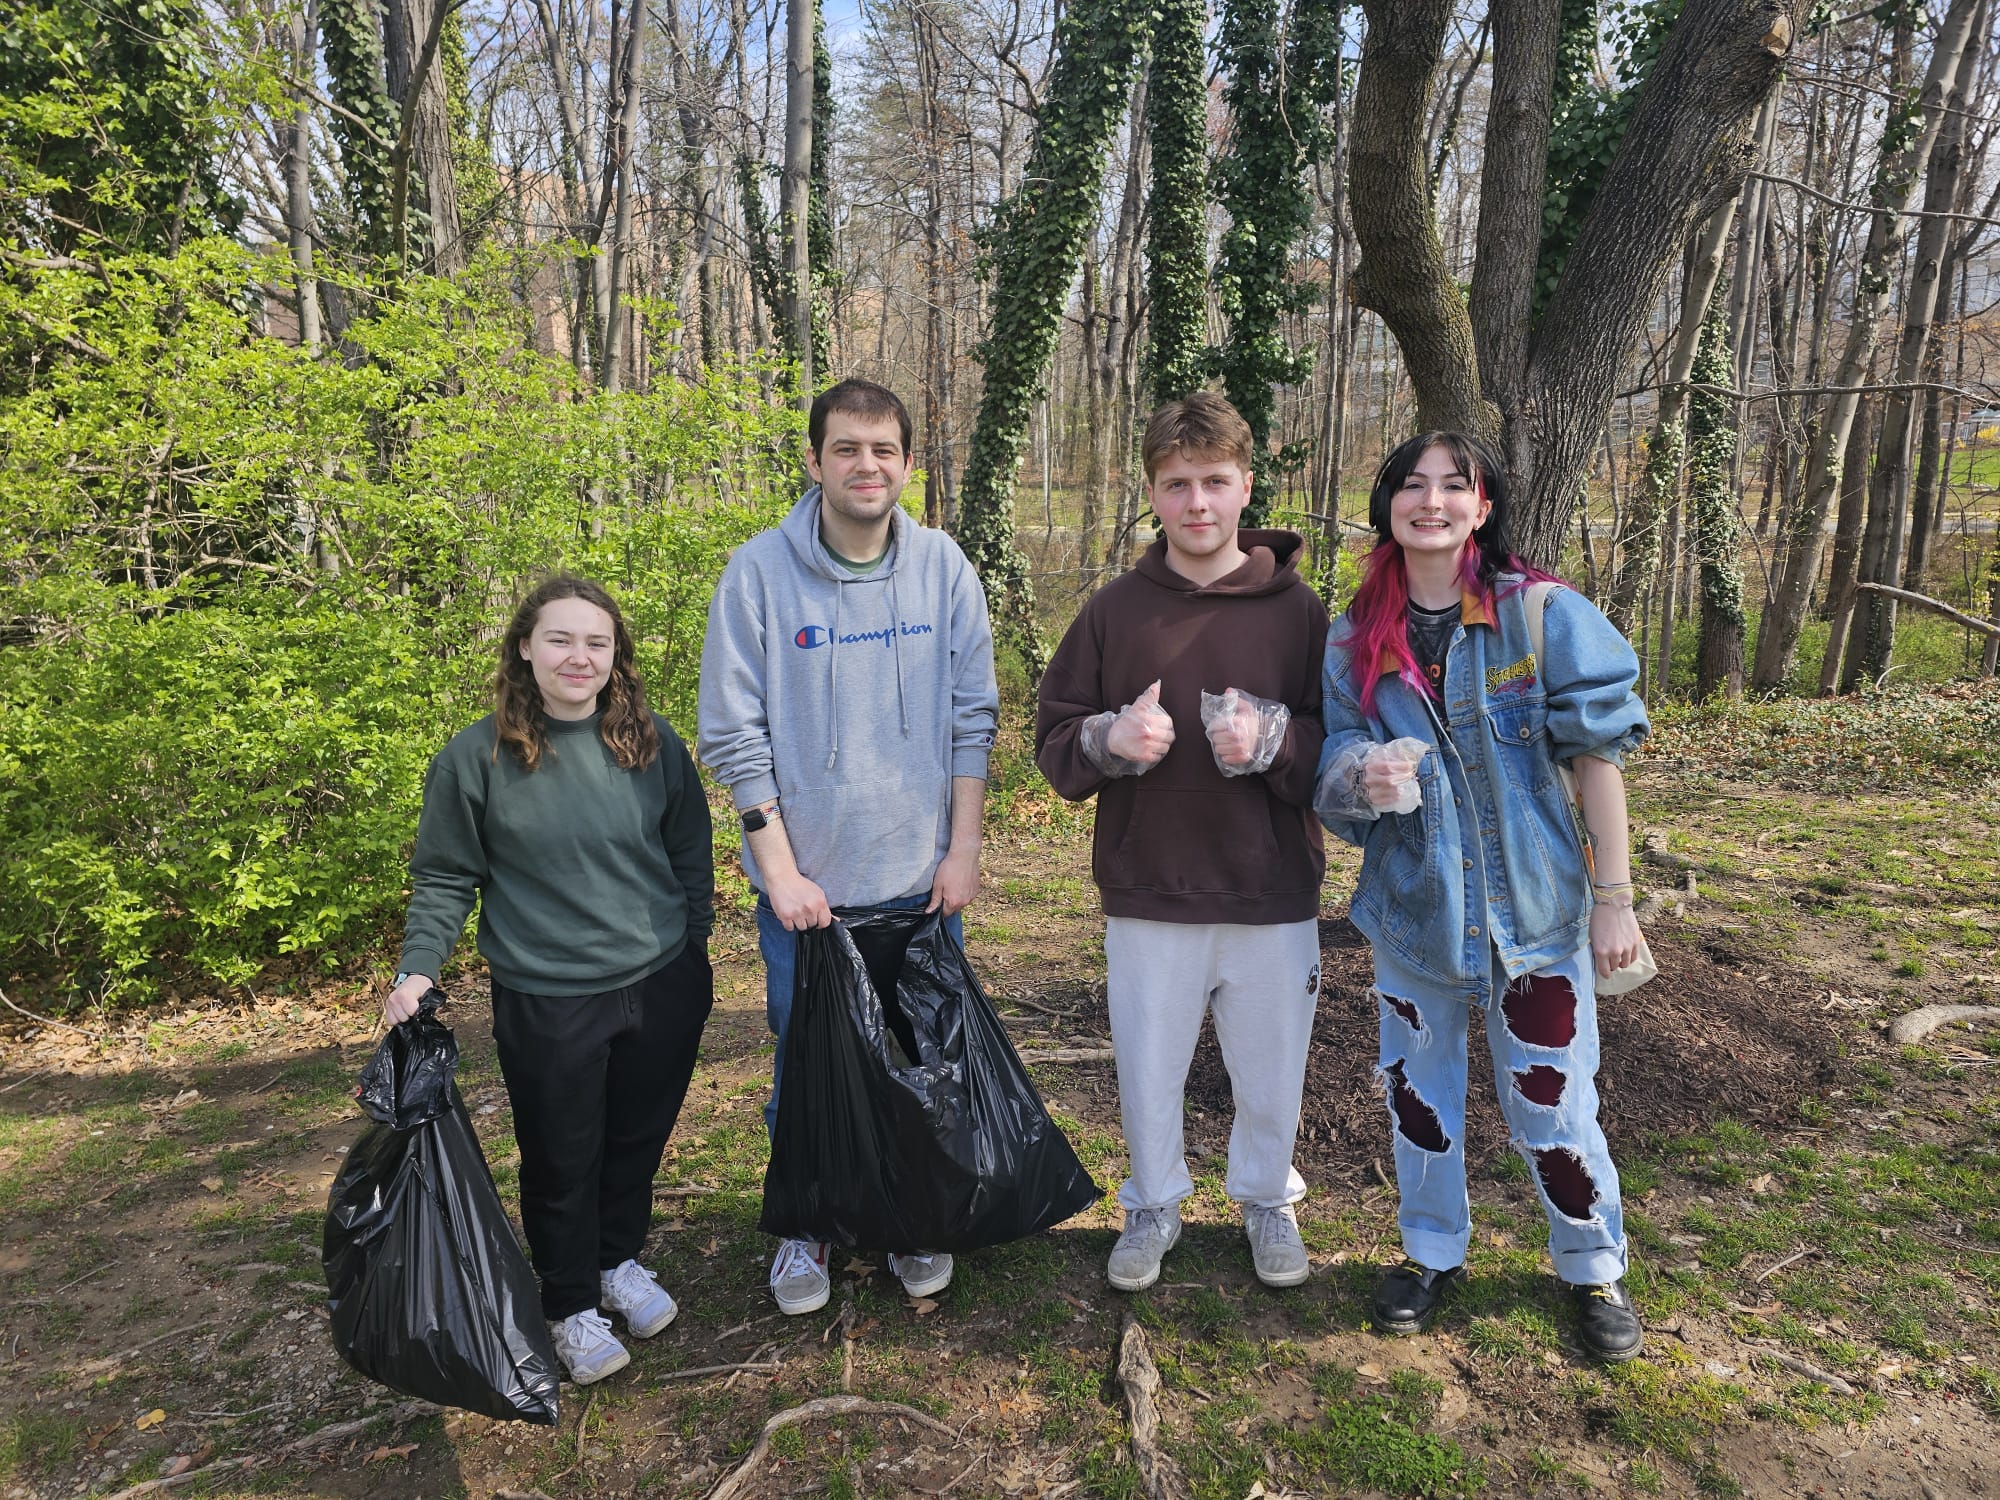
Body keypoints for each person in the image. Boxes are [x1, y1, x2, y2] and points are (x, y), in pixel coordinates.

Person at [1314, 431, 1650, 1362]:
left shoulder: (1540, 615)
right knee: (1417, 1095)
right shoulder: (1353, 639)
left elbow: (1598, 758)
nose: (1432, 501)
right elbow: (1329, 762)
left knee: (1553, 1097)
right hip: (1413, 914)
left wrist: (1615, 899)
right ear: (1387, 505)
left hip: (1538, 917)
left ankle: (1592, 1269)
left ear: (1484, 505)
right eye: (1412, 486)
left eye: (1453, 487)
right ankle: (1430, 1253)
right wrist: (1360, 775)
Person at [697, 378, 999, 1316]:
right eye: (846, 449)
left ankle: (912, 1216)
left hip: (920, 887)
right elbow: (733, 735)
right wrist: (779, 871)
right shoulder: (757, 573)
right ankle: (807, 1224)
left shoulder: (945, 567)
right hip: (809, 899)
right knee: (808, 1063)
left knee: (920, 1060)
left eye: (883, 450)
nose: (866, 466)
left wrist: (964, 849)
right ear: (814, 459)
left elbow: (972, 717)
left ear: (908, 463)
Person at [383, 575, 715, 1387]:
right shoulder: (476, 759)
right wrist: (418, 969)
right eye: (561, 639)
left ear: (616, 659)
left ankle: (615, 1264)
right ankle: (568, 1304)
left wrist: (691, 944)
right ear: (525, 648)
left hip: (662, 980)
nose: (579, 656)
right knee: (563, 1154)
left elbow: (689, 851)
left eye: (596, 643)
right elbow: (443, 878)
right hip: (550, 995)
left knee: (638, 1138)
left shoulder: (651, 744)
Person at [1036, 391, 1329, 1294]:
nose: (1196, 502)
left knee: (1272, 1067)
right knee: (1149, 1064)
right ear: (1152, 495)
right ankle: (1153, 1201)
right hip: (1150, 886)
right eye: (1176, 485)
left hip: (1272, 889)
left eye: (1214, 481)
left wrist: (1278, 740)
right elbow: (1053, 740)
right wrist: (1108, 743)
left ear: (1248, 487)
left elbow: (1345, 744)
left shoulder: (1300, 613)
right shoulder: (1116, 611)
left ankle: (1266, 1199)